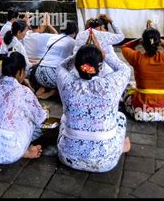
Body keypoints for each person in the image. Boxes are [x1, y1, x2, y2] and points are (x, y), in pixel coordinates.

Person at [56, 32, 131, 173]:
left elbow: (61, 66)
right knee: (120, 117)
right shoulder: (110, 84)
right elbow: (124, 69)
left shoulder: (67, 83)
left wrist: (79, 54)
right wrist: (103, 53)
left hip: (68, 156)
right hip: (105, 161)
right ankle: (121, 147)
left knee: (64, 119)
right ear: (100, 66)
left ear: (77, 66)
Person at [0, 52, 47, 164]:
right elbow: (40, 118)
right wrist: (45, 111)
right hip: (9, 153)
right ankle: (22, 151)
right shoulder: (23, 91)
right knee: (34, 123)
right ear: (20, 72)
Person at [121, 23, 164, 123]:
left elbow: (125, 47)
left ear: (143, 43)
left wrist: (139, 40)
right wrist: (158, 39)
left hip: (141, 113)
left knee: (127, 87)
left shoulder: (137, 58)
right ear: (158, 43)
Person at [34, 21, 78, 100]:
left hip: (38, 74)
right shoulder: (72, 42)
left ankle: (42, 88)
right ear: (74, 31)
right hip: (52, 77)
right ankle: (53, 92)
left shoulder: (53, 37)